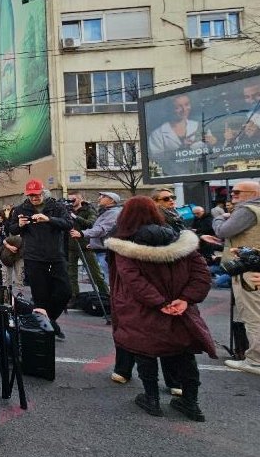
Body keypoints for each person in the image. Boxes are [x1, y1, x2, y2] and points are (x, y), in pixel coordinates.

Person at [105, 196, 214, 421]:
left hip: (143, 309)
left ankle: (152, 398)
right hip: (180, 308)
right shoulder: (182, 241)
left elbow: (133, 281)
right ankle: (191, 401)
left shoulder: (124, 246)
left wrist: (158, 302)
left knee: (145, 351)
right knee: (185, 354)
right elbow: (201, 274)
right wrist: (185, 299)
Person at [8, 180, 72, 340]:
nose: (34, 198)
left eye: (36, 194)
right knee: (40, 296)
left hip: (55, 255)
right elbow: (11, 228)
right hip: (33, 256)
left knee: (65, 292)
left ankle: (49, 320)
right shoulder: (21, 208)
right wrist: (19, 225)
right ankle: (44, 329)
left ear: (43, 192)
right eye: (30, 195)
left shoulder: (56, 206)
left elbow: (69, 224)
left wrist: (49, 219)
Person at [208, 180, 260, 376]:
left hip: (248, 269)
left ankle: (255, 361)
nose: (233, 195)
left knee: (253, 316)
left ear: (253, 193)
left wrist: (220, 217)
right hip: (254, 267)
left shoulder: (248, 210)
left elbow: (223, 231)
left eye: (238, 192)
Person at [73, 191, 123, 288]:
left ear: (112, 200)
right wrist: (93, 243)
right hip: (102, 250)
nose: (99, 198)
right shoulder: (106, 212)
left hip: (106, 253)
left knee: (112, 281)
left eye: (103, 196)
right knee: (109, 280)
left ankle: (113, 301)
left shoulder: (113, 213)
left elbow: (102, 229)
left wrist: (83, 233)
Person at [66, 191, 105, 304]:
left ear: (80, 199)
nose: (71, 202)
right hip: (71, 246)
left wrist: (74, 217)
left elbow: (90, 224)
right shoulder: (67, 211)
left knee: (95, 273)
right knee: (71, 274)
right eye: (70, 200)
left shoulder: (88, 210)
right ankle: (75, 297)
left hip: (85, 245)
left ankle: (105, 296)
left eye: (74, 199)